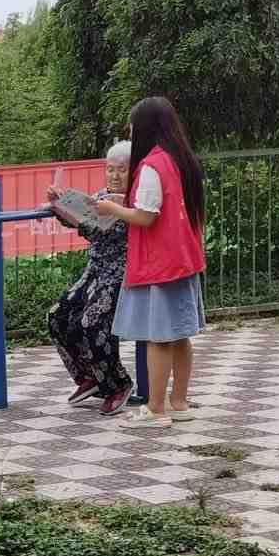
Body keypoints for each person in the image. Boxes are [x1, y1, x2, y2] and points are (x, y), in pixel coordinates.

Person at [94, 96, 208, 428]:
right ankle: (179, 402)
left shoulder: (150, 165)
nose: (130, 132)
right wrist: (122, 202)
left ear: (145, 126)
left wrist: (111, 208)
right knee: (180, 335)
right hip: (183, 260)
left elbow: (145, 216)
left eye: (132, 126)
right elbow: (165, 206)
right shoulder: (180, 161)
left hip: (159, 264)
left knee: (157, 337)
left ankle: (155, 409)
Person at [46, 141, 134, 417]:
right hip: (94, 271)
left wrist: (77, 218)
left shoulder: (133, 203)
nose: (114, 175)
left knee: (92, 322)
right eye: (110, 169)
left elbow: (100, 230)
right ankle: (89, 377)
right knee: (57, 316)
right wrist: (60, 204)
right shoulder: (102, 196)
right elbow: (81, 217)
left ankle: (118, 384)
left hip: (119, 275)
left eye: (122, 170)